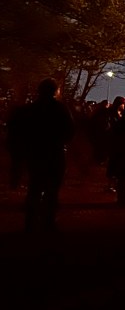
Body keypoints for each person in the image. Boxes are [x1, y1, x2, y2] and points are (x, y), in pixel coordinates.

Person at [16, 79, 75, 233]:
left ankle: (30, 222)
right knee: (52, 189)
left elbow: (21, 133)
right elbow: (69, 131)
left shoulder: (30, 109)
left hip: (35, 154)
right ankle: (48, 221)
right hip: (54, 153)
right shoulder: (60, 109)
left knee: (34, 187)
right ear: (55, 91)